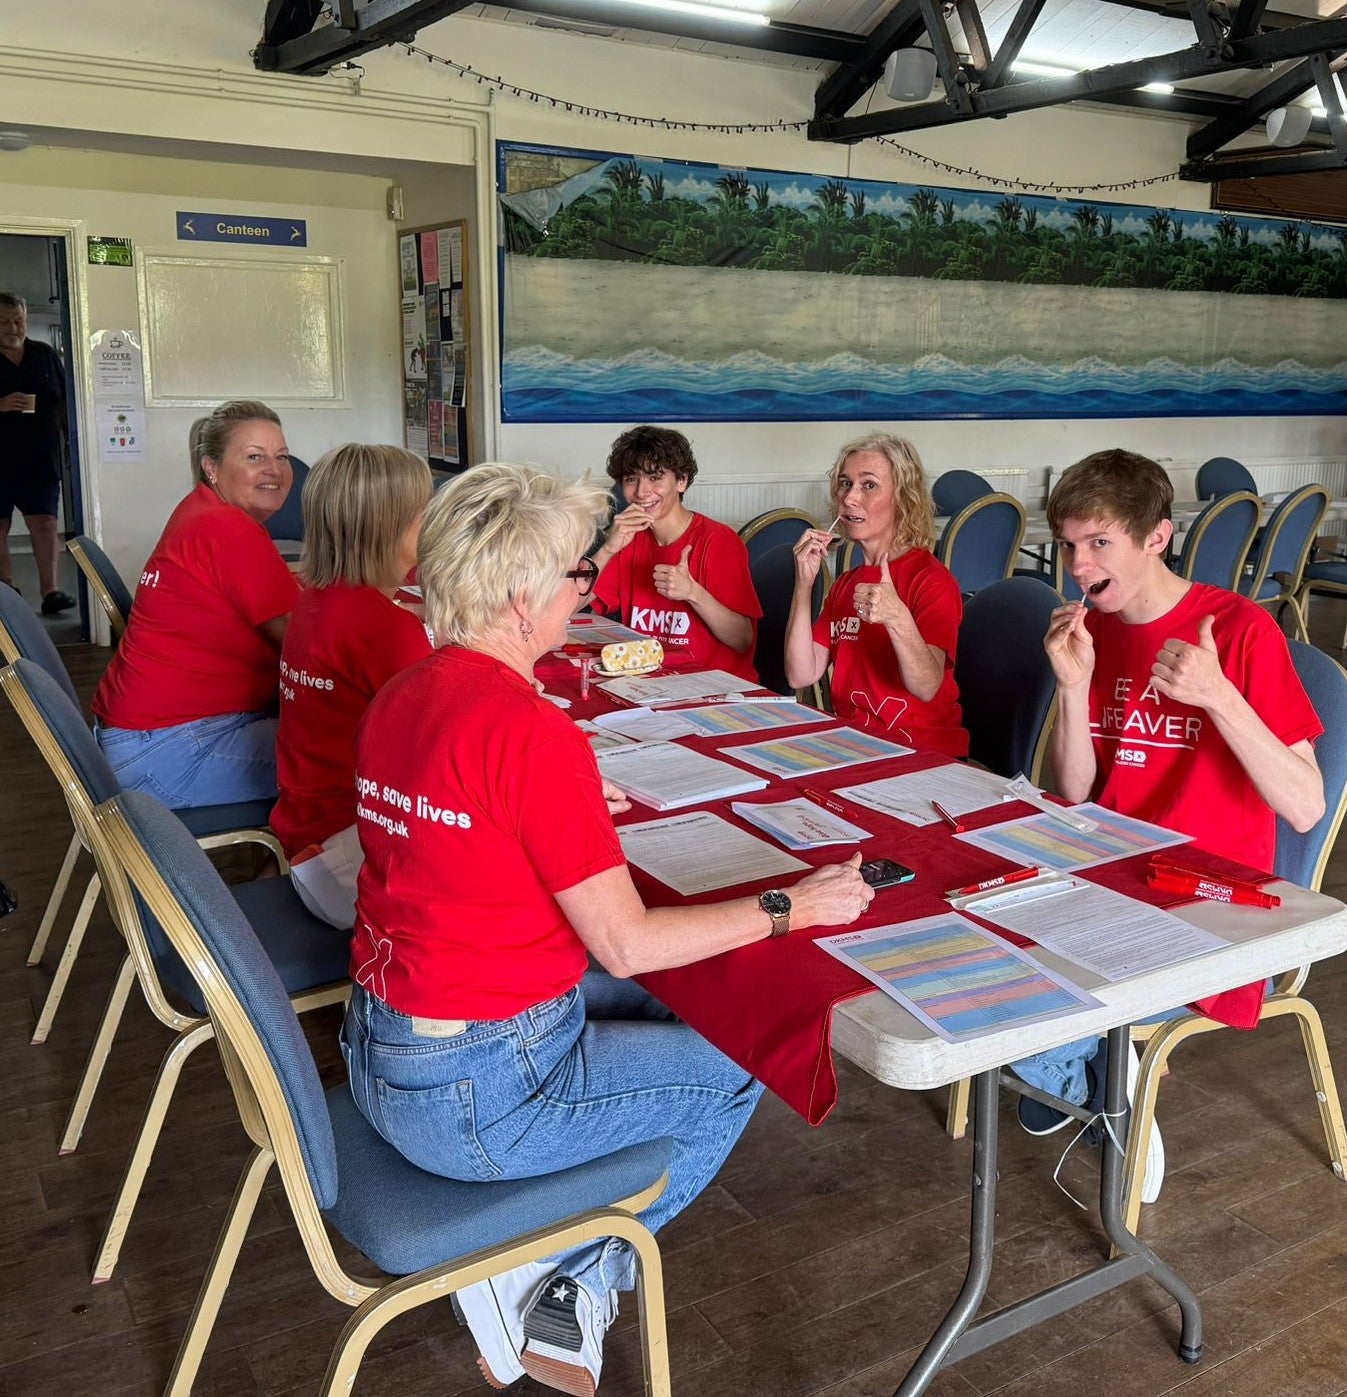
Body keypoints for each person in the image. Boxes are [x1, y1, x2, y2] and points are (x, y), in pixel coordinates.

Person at [342, 463, 871, 1394]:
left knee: (695, 1001)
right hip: (476, 1094)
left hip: (380, 1047)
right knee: (745, 1055)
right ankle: (563, 1272)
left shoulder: (406, 691)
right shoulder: (528, 732)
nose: (584, 589)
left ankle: (535, 1248)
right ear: (519, 600)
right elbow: (625, 943)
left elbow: (464, 830)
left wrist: (567, 801)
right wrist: (796, 904)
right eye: (574, 576)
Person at [1011, 448, 1325, 1197]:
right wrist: (1076, 688)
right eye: (1066, 544)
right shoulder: (1100, 629)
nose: (1077, 564)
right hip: (1103, 876)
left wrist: (1219, 697)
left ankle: (1107, 1081)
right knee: (963, 963)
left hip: (1205, 899)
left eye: (1097, 543)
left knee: (1023, 1009)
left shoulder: (1238, 630)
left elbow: (1306, 804)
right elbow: (1077, 796)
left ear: (1156, 538)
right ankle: (1096, 1078)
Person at [92, 399, 299, 809]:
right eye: (254, 457)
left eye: (281, 456)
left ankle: (279, 859)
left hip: (138, 737)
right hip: (168, 753)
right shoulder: (229, 530)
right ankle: (294, 871)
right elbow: (308, 646)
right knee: (349, 759)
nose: (273, 470)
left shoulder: (202, 511)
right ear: (211, 466)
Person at [270, 443, 432, 928]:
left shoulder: (319, 599)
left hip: (305, 834)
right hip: (349, 861)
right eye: (425, 513)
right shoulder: (385, 630)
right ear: (391, 527)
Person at [784, 433, 967, 756]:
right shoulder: (845, 583)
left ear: (902, 498)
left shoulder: (931, 581)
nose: (850, 498)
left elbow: (926, 687)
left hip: (921, 752)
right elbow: (801, 673)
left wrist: (897, 617)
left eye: (868, 485)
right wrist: (804, 585)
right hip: (852, 746)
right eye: (845, 484)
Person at [590, 425, 761, 679]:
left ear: (681, 481)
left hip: (716, 688)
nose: (641, 492)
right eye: (631, 479)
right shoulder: (628, 538)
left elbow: (743, 639)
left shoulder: (718, 540)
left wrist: (692, 593)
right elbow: (575, 602)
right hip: (651, 685)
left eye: (655, 478)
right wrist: (607, 549)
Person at [0, 293, 75, 615]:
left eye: (18, 320)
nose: (12, 327)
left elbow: (64, 403)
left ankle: (51, 591)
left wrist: (71, 440)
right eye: (4, 321)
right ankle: (6, 589)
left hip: (41, 459)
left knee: (45, 523)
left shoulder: (45, 355)